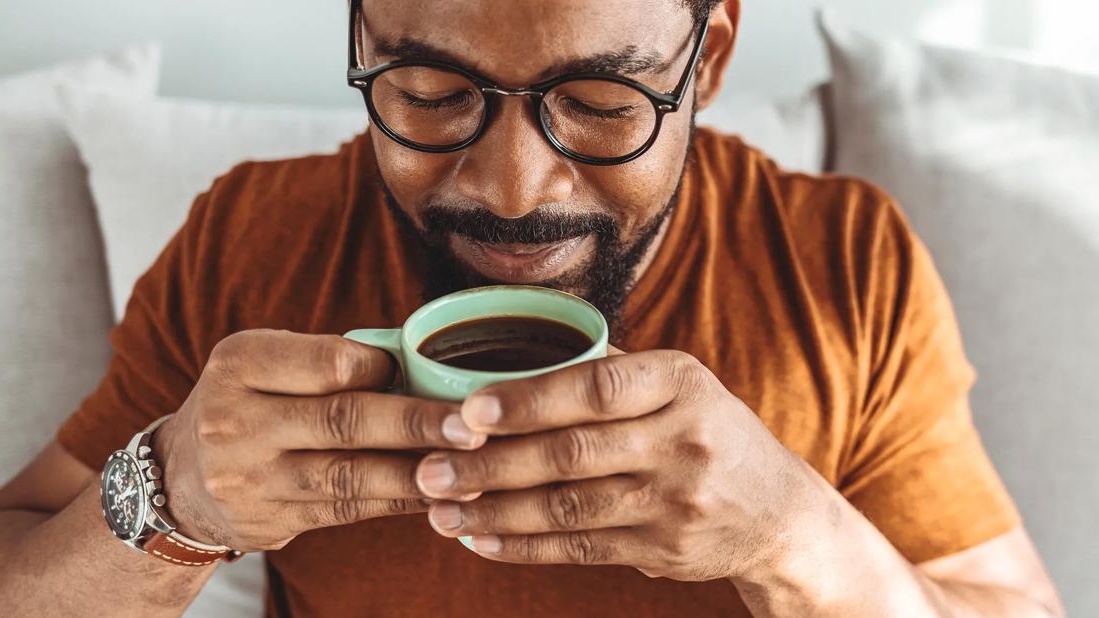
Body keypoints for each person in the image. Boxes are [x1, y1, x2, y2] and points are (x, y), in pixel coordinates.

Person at [0, 1, 1064, 616]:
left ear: (713, 56)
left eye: (602, 105)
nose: (512, 190)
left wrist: (791, 534)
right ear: (363, 43)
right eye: (429, 93)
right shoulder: (249, 239)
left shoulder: (837, 263)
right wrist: (171, 499)